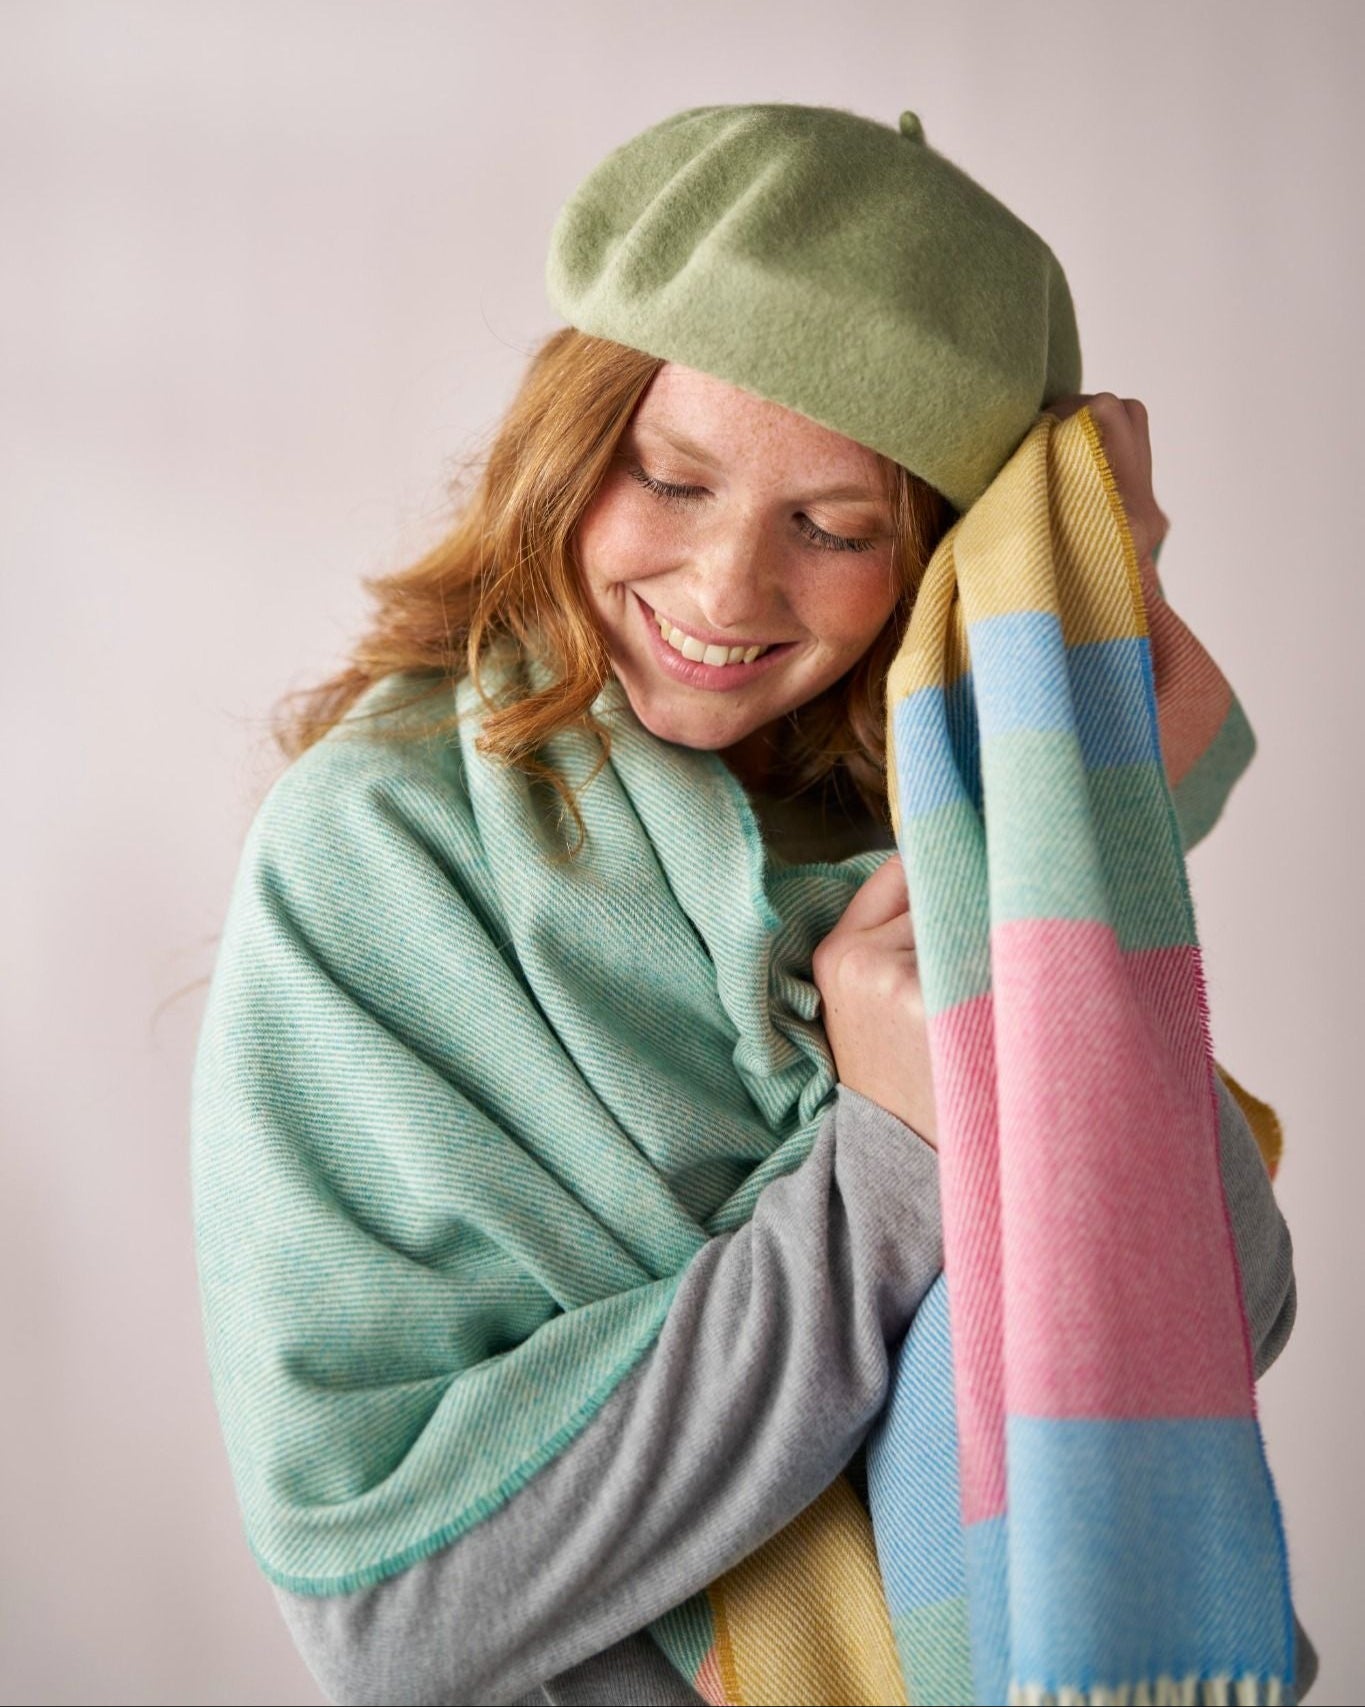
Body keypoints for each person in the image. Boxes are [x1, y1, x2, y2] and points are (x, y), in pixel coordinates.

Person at [191, 104, 1313, 1706]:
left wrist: (1078, 782)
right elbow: (394, 1615)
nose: (726, 592)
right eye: (671, 478)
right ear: (569, 453)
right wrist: (889, 1159)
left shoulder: (934, 830)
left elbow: (1222, 1317)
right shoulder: (376, 861)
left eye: (832, 527)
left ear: (929, 555)